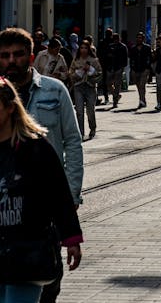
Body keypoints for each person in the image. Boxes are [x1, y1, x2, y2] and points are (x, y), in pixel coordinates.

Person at [0, 27, 83, 303]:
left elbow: (72, 141)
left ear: (31, 57)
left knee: (47, 283)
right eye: (4, 56)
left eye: (18, 55)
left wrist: (71, 197)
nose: (11, 60)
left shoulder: (54, 90)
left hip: (43, 209)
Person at [69, 40, 102, 140]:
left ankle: (92, 128)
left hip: (90, 87)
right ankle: (81, 132)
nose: (83, 50)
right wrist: (79, 72)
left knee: (90, 110)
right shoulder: (76, 60)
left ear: (89, 49)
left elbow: (100, 74)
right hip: (78, 87)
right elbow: (70, 73)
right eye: (82, 48)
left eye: (85, 48)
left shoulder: (94, 60)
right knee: (79, 111)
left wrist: (91, 71)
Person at [129, 32, 151, 109]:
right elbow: (131, 60)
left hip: (144, 69)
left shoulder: (147, 48)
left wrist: (148, 69)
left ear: (143, 39)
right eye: (137, 38)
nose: (139, 39)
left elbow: (149, 59)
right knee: (139, 86)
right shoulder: (133, 48)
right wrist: (132, 70)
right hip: (135, 69)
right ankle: (143, 99)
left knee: (142, 85)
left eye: (140, 38)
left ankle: (141, 101)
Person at [105, 32, 128, 108]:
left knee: (117, 85)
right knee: (108, 84)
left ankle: (115, 101)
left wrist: (123, 67)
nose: (115, 40)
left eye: (117, 39)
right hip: (110, 67)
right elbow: (106, 56)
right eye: (114, 39)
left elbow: (125, 58)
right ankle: (116, 95)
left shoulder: (123, 47)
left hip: (118, 68)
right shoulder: (110, 46)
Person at [96, 27, 113, 105]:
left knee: (108, 82)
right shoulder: (103, 42)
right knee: (106, 82)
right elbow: (99, 53)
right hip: (105, 64)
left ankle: (111, 95)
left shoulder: (111, 42)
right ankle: (107, 96)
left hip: (109, 64)